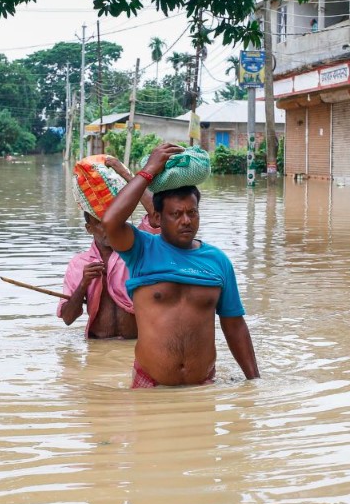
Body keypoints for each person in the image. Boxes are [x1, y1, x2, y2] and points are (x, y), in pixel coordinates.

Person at [102, 143, 260, 388]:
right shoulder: (141, 250)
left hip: (203, 385)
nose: (186, 221)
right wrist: (148, 171)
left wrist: (255, 383)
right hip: (151, 386)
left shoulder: (218, 261)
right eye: (176, 214)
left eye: (192, 213)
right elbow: (111, 222)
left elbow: (234, 325)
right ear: (157, 218)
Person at [57, 156, 158, 339]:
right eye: (101, 223)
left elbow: (156, 216)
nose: (110, 227)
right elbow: (67, 318)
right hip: (97, 346)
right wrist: (83, 284)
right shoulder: (79, 264)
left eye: (115, 220)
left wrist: (126, 175)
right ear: (89, 229)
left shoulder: (138, 249)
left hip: (135, 345)